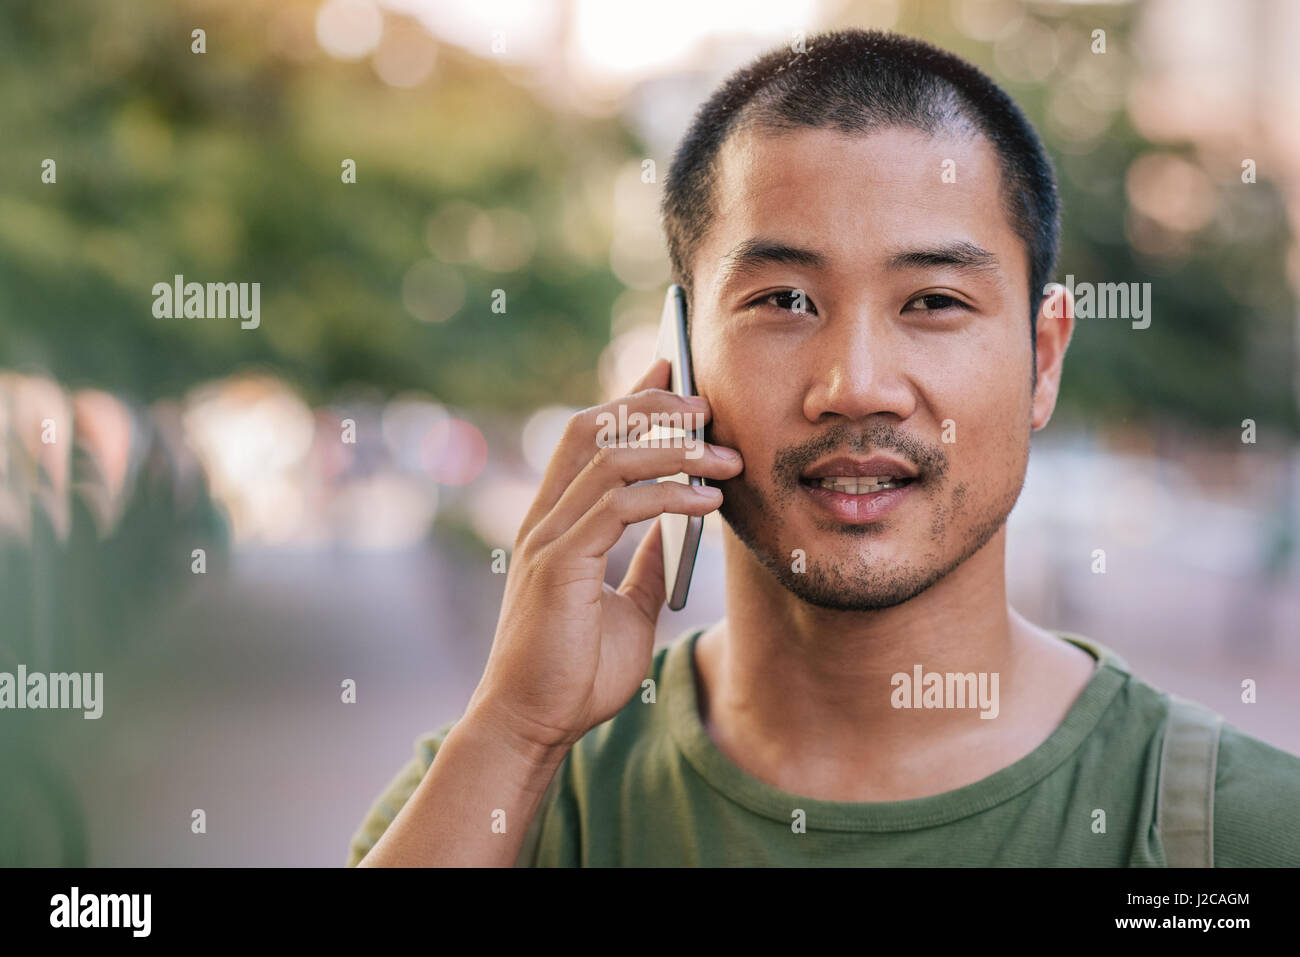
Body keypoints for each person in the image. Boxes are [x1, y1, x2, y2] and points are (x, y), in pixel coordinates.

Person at [347, 28, 1300, 867]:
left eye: (933, 302)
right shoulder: (510, 799)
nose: (855, 385)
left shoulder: (1235, 833)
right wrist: (513, 731)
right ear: (680, 363)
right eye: (783, 301)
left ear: (1042, 359)